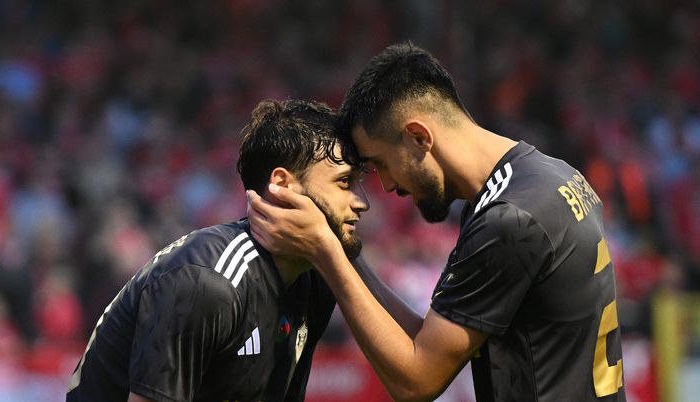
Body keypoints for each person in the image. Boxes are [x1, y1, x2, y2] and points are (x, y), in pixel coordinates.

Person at [247, 43, 626, 401]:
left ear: (418, 137)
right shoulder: (548, 177)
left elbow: (416, 382)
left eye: (380, 164)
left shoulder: (509, 221)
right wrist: (343, 247)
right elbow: (427, 340)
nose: (388, 185)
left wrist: (324, 251)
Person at [66, 99, 373, 402]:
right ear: (283, 184)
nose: (362, 202)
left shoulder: (315, 280)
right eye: (344, 182)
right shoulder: (207, 283)